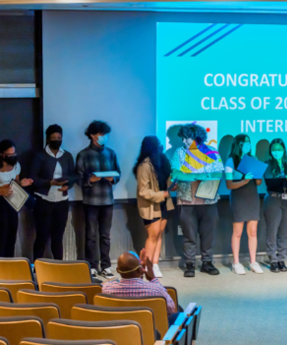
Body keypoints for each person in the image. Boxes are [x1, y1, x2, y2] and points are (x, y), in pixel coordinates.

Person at [173, 124, 223, 278]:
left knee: (208, 234)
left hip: (208, 200)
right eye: (183, 137)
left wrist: (198, 175)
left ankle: (207, 263)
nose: (184, 140)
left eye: (187, 137)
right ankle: (190, 264)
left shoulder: (211, 152)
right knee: (189, 234)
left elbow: (218, 174)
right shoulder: (179, 153)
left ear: (197, 138)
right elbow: (176, 173)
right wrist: (196, 176)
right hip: (186, 200)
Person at [75, 121, 119, 276]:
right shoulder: (83, 154)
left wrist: (111, 179)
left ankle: (106, 266)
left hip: (107, 200)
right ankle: (92, 266)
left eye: (105, 134)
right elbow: (78, 179)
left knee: (105, 236)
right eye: (101, 134)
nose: (104, 137)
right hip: (90, 201)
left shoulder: (111, 153)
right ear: (92, 135)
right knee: (91, 235)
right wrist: (90, 180)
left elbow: (117, 174)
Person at [28, 125, 75, 261]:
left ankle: (58, 266)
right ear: (47, 139)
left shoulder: (67, 156)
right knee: (42, 236)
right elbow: (33, 178)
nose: (56, 140)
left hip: (62, 202)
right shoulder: (40, 156)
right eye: (53, 138)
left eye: (59, 138)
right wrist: (50, 183)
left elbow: (73, 176)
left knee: (58, 237)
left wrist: (68, 185)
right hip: (43, 202)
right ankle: (37, 267)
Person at [102, 250, 179, 326]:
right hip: (152, 332)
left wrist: (139, 274)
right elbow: (171, 309)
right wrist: (153, 279)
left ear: (118, 270)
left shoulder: (106, 289)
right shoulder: (156, 290)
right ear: (140, 270)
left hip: (118, 331)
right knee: (179, 313)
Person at [134, 136, 173, 279]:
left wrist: (172, 186)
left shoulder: (163, 161)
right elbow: (143, 191)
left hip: (164, 202)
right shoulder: (144, 165)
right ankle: (146, 267)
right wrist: (160, 195)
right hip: (152, 204)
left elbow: (167, 179)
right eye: (158, 145)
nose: (161, 147)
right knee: (153, 235)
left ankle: (154, 264)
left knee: (159, 233)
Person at [224, 135, 262, 275]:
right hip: (238, 198)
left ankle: (253, 262)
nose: (247, 144)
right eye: (244, 142)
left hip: (252, 197)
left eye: (249, 142)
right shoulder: (230, 161)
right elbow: (229, 185)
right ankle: (236, 262)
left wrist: (258, 176)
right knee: (238, 232)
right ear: (238, 144)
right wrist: (244, 181)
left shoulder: (254, 159)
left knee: (252, 232)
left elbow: (258, 183)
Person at [262, 139, 287, 272]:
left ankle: (281, 258)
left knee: (285, 232)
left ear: (284, 150)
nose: (277, 152)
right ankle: (273, 260)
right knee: (272, 231)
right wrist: (285, 178)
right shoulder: (267, 164)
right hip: (273, 199)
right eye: (274, 150)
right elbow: (270, 183)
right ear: (271, 151)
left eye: (279, 149)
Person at [0, 140, 33, 257]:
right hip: (1, 204)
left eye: (14, 154)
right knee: (1, 234)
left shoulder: (16, 165)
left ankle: (9, 264)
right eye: (10, 155)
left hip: (12, 202)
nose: (13, 157)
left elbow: (16, 182)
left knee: (11, 232)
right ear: (2, 155)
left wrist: (22, 183)